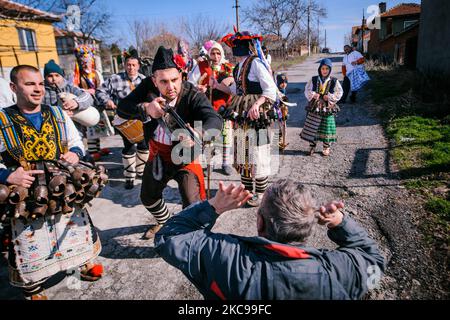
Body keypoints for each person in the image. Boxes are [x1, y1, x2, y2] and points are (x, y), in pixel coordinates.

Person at [154, 179, 385, 300]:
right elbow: (375, 262)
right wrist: (340, 222)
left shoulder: (224, 257)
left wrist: (213, 206)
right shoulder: (337, 270)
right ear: (310, 226)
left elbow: (168, 236)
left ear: (260, 222)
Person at [0, 65, 104, 300]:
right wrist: (7, 176)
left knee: (73, 222)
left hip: (60, 181)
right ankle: (33, 286)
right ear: (13, 87)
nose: (37, 89)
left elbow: (76, 140)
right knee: (28, 235)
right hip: (26, 187)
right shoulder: (1, 118)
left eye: (39, 84)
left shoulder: (57, 113)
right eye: (29, 84)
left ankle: (83, 262)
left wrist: (76, 153)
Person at [117, 46, 222, 240]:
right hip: (158, 154)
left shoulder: (192, 94)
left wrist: (199, 132)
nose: (170, 87)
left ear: (181, 76)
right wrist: (146, 108)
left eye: (174, 80)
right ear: (154, 80)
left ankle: (191, 239)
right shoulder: (146, 88)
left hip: (186, 157)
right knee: (148, 197)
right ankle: (165, 222)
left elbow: (214, 119)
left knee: (194, 203)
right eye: (163, 82)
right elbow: (122, 107)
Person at [220, 31, 278, 207]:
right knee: (242, 151)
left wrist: (257, 104)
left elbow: (270, 89)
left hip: (257, 115)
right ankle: (247, 190)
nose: (234, 49)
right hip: (242, 114)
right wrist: (217, 86)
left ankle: (260, 193)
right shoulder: (237, 68)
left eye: (237, 45)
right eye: (233, 46)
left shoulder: (256, 63)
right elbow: (238, 92)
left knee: (258, 152)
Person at [96, 54, 148, 189]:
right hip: (122, 118)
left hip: (140, 118)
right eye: (128, 65)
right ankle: (130, 176)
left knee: (143, 145)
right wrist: (107, 100)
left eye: (134, 65)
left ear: (138, 66)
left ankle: (141, 172)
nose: (131, 67)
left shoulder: (144, 80)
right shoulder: (115, 79)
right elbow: (100, 91)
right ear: (124, 65)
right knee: (129, 146)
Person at [188, 40, 235, 175]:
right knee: (209, 136)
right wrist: (198, 88)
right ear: (209, 53)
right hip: (207, 107)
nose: (215, 56)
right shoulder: (202, 66)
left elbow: (233, 88)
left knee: (226, 136)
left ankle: (225, 163)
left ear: (222, 54)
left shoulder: (228, 67)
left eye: (218, 53)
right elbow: (190, 82)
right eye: (213, 53)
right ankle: (210, 164)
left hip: (224, 107)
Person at [42, 59, 99, 157]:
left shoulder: (70, 88)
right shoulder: (41, 91)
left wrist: (76, 103)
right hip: (51, 135)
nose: (54, 79)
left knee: (79, 159)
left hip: (75, 134)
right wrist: (59, 114)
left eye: (57, 75)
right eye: (50, 76)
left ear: (61, 76)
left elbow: (87, 97)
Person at [73, 45, 111, 161]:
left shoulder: (96, 73)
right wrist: (86, 91)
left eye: (88, 61)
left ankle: (98, 149)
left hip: (97, 104)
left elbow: (103, 87)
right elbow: (73, 88)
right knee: (90, 129)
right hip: (86, 106)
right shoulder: (77, 76)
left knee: (98, 128)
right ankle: (93, 152)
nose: (86, 64)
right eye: (83, 62)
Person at [300, 58, 343, 156]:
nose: (324, 71)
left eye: (327, 69)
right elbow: (307, 89)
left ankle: (326, 147)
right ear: (319, 69)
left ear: (330, 70)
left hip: (327, 107)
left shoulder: (334, 81)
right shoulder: (314, 79)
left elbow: (340, 92)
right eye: (322, 68)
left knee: (327, 126)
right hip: (315, 107)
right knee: (313, 125)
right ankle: (312, 146)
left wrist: (330, 97)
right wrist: (313, 94)